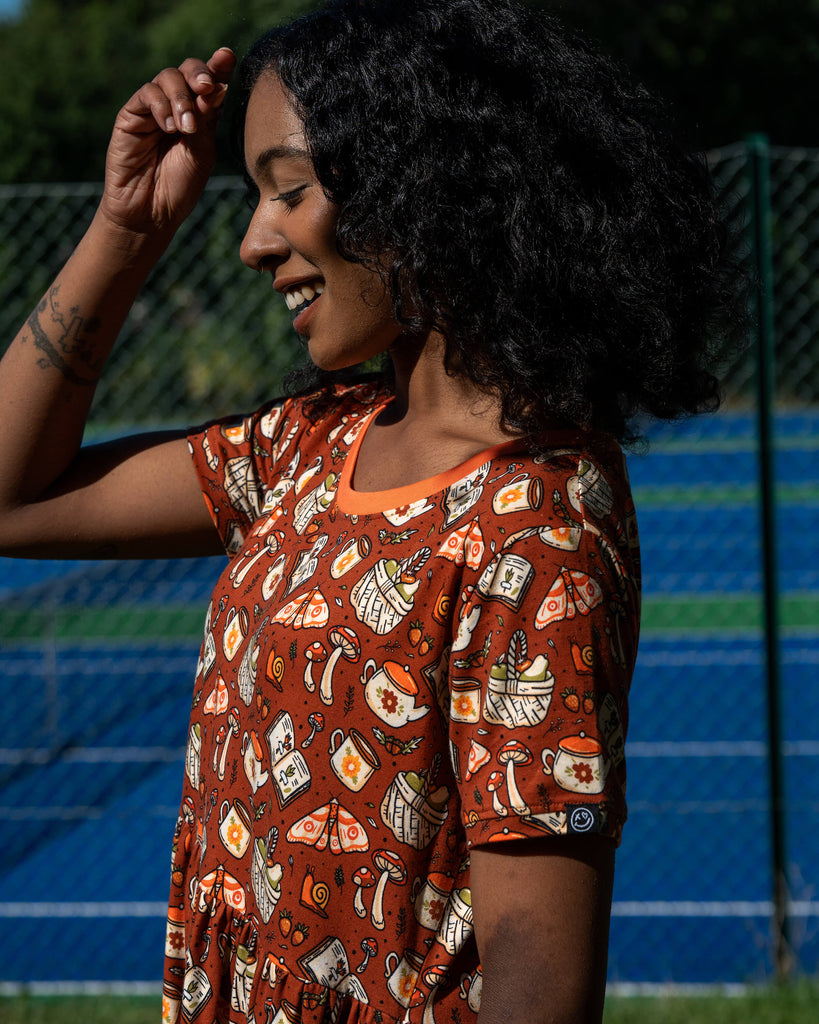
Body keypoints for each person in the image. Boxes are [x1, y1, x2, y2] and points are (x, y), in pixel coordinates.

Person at [0, 1, 742, 1021]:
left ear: (419, 187)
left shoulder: (536, 519)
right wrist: (127, 231)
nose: (256, 241)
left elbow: (536, 974)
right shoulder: (310, 443)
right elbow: (12, 498)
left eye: (290, 190)